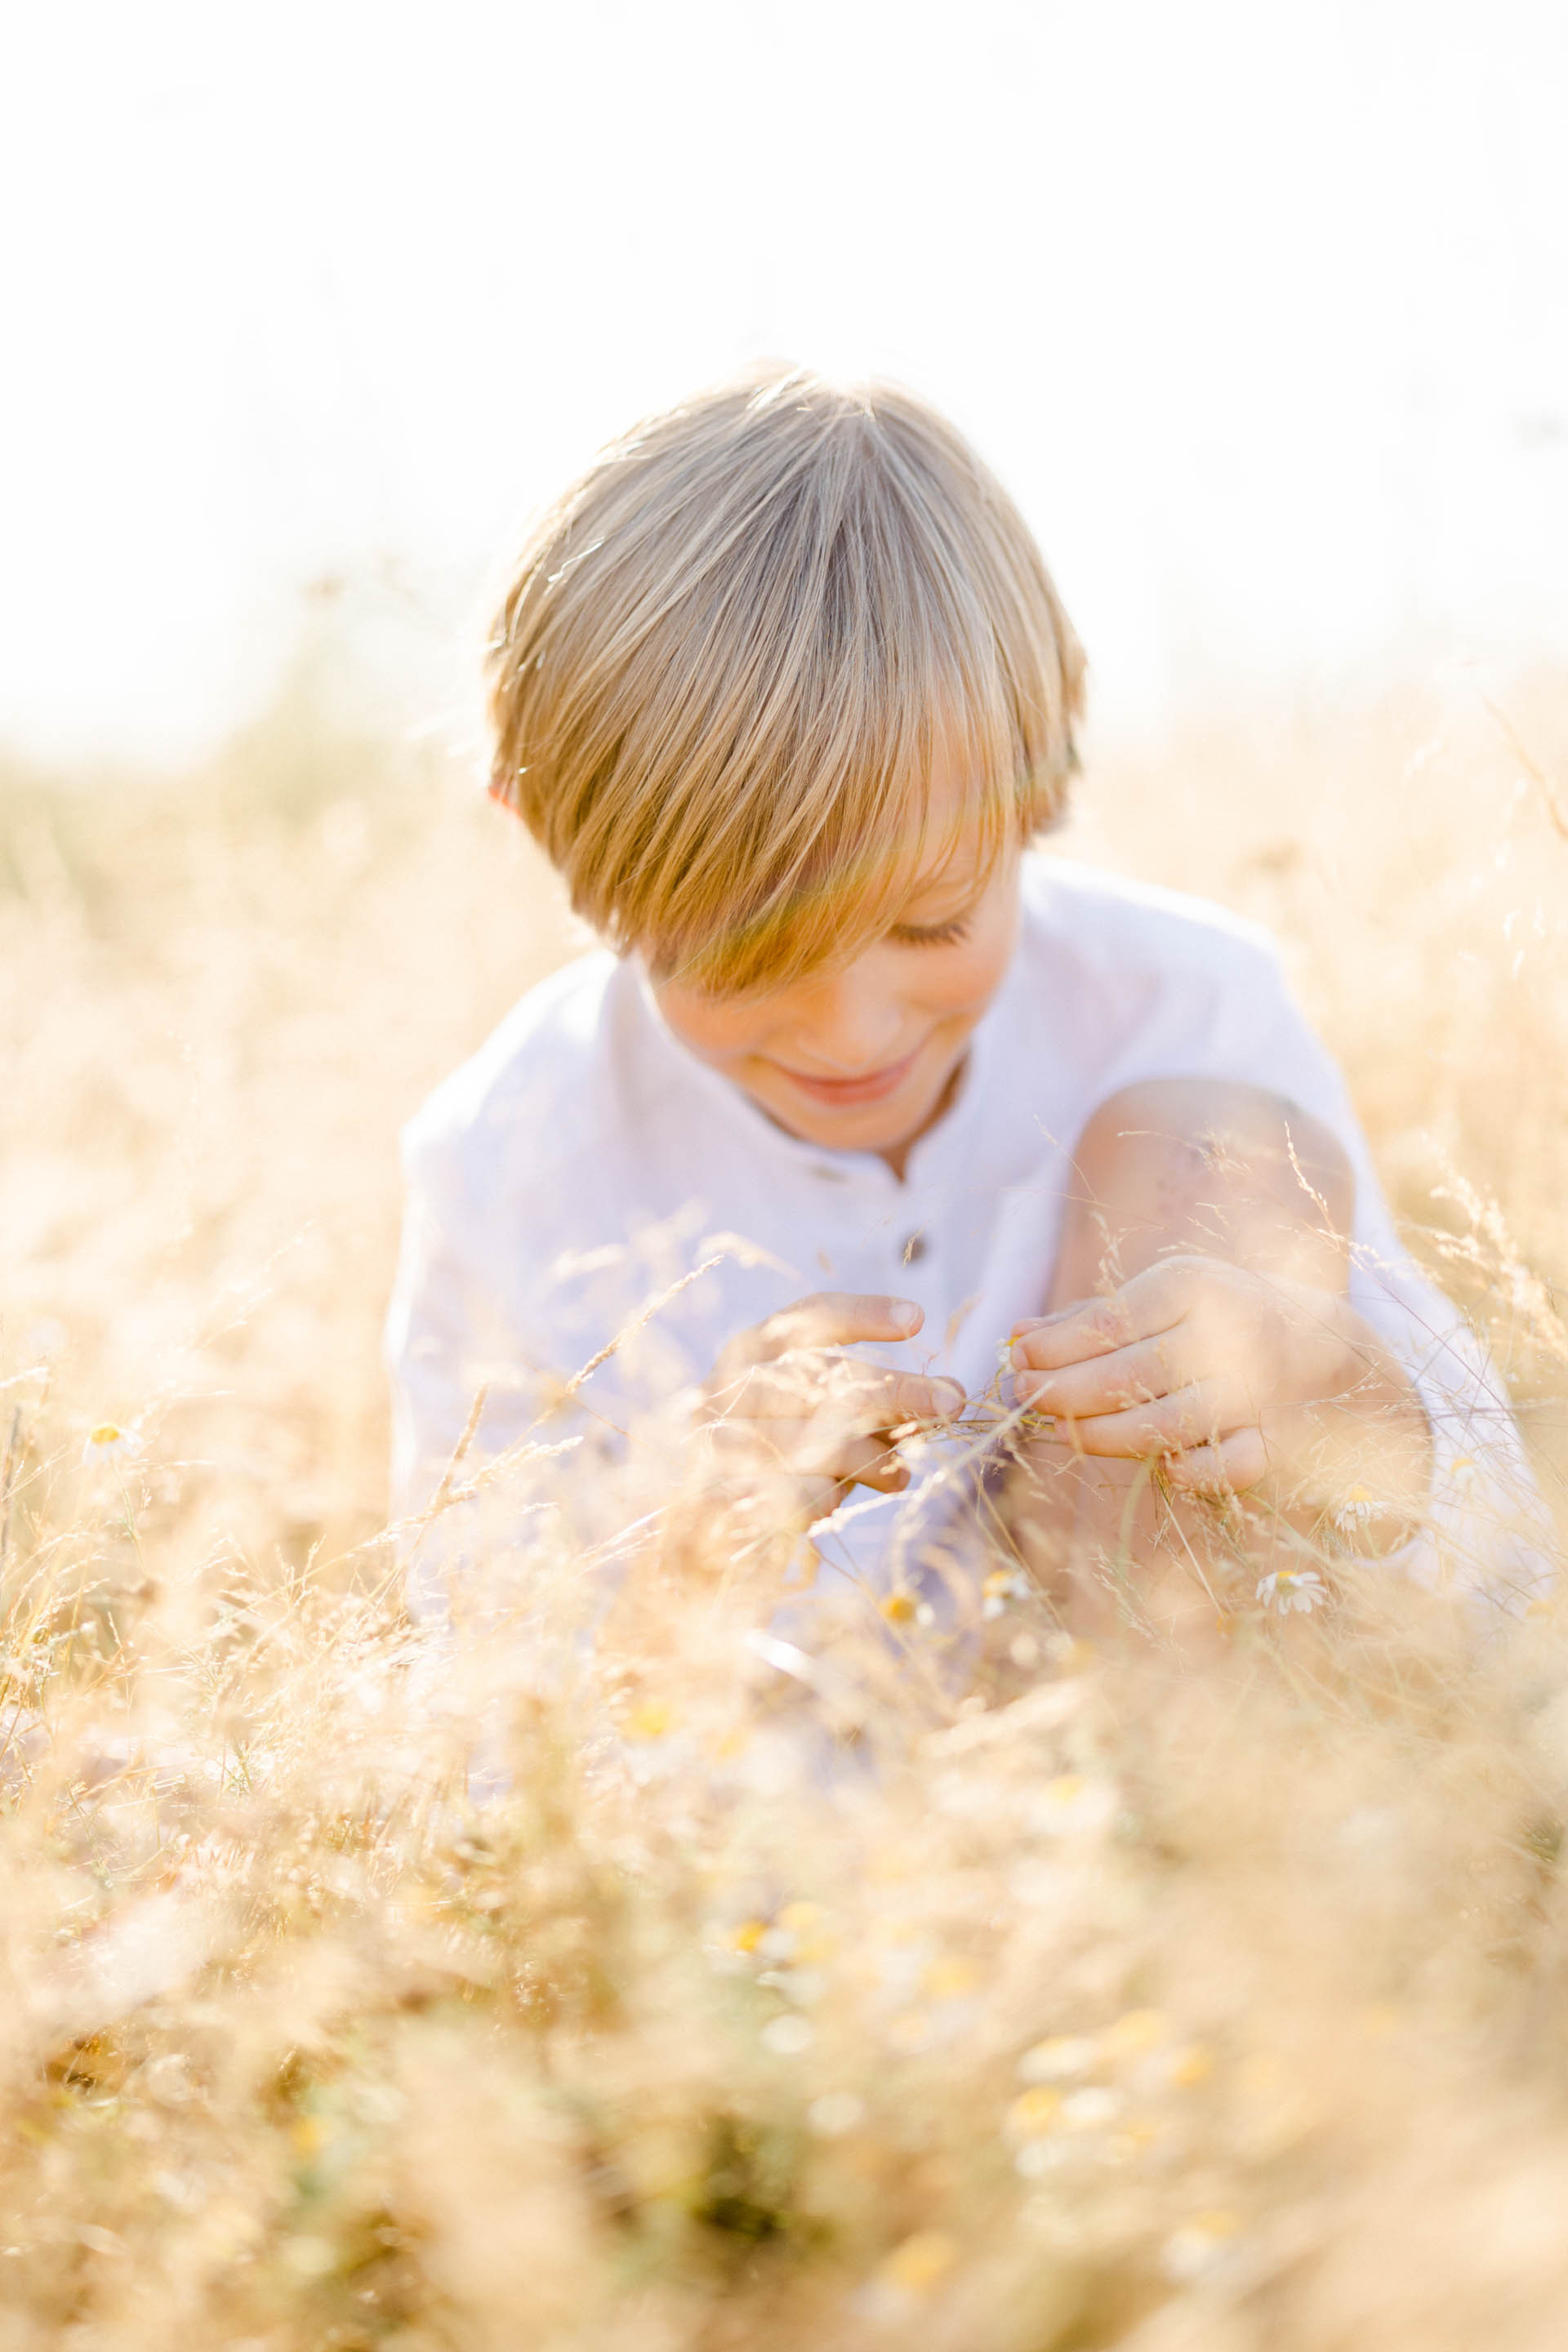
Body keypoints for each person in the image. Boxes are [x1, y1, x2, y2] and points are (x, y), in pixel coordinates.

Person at [385, 367, 1546, 1645]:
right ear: (545, 833)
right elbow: (479, 1719)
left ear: (1037, 772)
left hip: (1172, 1739)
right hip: (797, 1809)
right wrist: (687, 1558)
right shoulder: (512, 1159)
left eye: (931, 924)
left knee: (1202, 1144)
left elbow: (1513, 1585)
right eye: (737, 956)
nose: (853, 1031)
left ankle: (1170, 1802)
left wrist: (1328, 1393)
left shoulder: (1188, 1006)